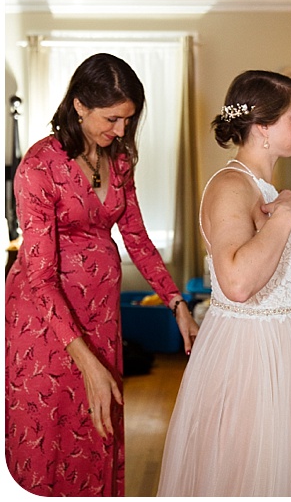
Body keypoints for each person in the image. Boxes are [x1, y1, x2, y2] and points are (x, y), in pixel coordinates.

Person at [5, 53, 199, 496]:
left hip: (100, 315)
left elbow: (137, 238)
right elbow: (39, 276)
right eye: (112, 119)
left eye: (129, 120)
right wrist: (85, 360)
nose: (122, 130)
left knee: (97, 426)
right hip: (44, 322)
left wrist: (176, 303)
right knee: (48, 431)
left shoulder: (120, 158)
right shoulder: (38, 167)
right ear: (79, 105)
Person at [157, 70, 291, 496]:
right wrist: (287, 215)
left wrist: (283, 208)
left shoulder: (263, 187)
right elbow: (237, 283)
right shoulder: (230, 186)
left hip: (285, 344)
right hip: (249, 353)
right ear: (262, 127)